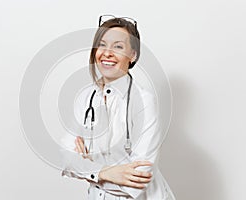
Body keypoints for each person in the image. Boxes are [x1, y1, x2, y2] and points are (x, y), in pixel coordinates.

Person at [60, 15, 176, 200]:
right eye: (102, 44)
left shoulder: (144, 102)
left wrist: (87, 168)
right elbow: (66, 159)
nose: (107, 53)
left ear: (133, 55)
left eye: (118, 47)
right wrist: (106, 172)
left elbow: (138, 180)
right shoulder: (86, 98)